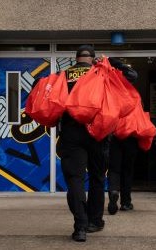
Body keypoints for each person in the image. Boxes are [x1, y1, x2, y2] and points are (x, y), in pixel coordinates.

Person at [59, 45, 106, 242]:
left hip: (71, 133)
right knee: (97, 177)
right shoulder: (102, 73)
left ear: (75, 59)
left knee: (75, 180)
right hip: (98, 132)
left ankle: (80, 227)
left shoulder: (63, 75)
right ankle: (95, 221)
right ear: (93, 58)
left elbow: (42, 88)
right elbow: (131, 77)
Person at [106, 57, 139, 215]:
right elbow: (133, 74)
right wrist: (115, 61)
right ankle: (126, 202)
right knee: (128, 169)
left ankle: (113, 191)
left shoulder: (106, 83)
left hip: (113, 134)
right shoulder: (128, 86)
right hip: (131, 133)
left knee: (114, 168)